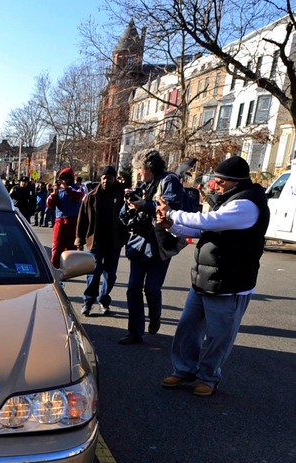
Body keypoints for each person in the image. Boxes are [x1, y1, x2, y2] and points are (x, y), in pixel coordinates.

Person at [156, 156, 269, 396]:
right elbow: (202, 230)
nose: (214, 186)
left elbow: (209, 221)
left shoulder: (247, 204)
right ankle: (183, 370)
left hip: (230, 283)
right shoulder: (230, 200)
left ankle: (208, 377)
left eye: (219, 181)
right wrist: (170, 225)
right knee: (187, 329)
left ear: (234, 182)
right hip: (204, 279)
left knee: (218, 336)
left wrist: (174, 213)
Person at [118, 149, 187, 345]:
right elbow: (124, 218)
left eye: (140, 169)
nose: (138, 173)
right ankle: (135, 333)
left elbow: (170, 207)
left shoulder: (169, 181)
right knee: (133, 289)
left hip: (160, 245)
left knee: (152, 289)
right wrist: (128, 204)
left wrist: (144, 205)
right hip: (138, 244)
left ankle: (155, 317)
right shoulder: (142, 185)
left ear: (149, 167)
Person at [75, 166, 128, 316]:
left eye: (109, 178)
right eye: (104, 178)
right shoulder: (91, 196)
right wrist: (79, 239)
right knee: (94, 271)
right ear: (101, 179)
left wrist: (125, 238)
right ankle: (88, 301)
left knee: (110, 275)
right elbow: (82, 218)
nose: (106, 181)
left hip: (114, 242)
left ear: (114, 179)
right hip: (95, 241)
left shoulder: (121, 195)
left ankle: (104, 300)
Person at [47, 167, 85, 268]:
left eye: (67, 178)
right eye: (63, 179)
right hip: (60, 221)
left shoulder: (77, 188)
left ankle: (69, 268)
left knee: (71, 248)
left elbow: (79, 195)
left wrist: (67, 188)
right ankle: (54, 268)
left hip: (73, 222)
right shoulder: (58, 190)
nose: (64, 181)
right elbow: (50, 204)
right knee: (57, 246)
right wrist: (54, 193)